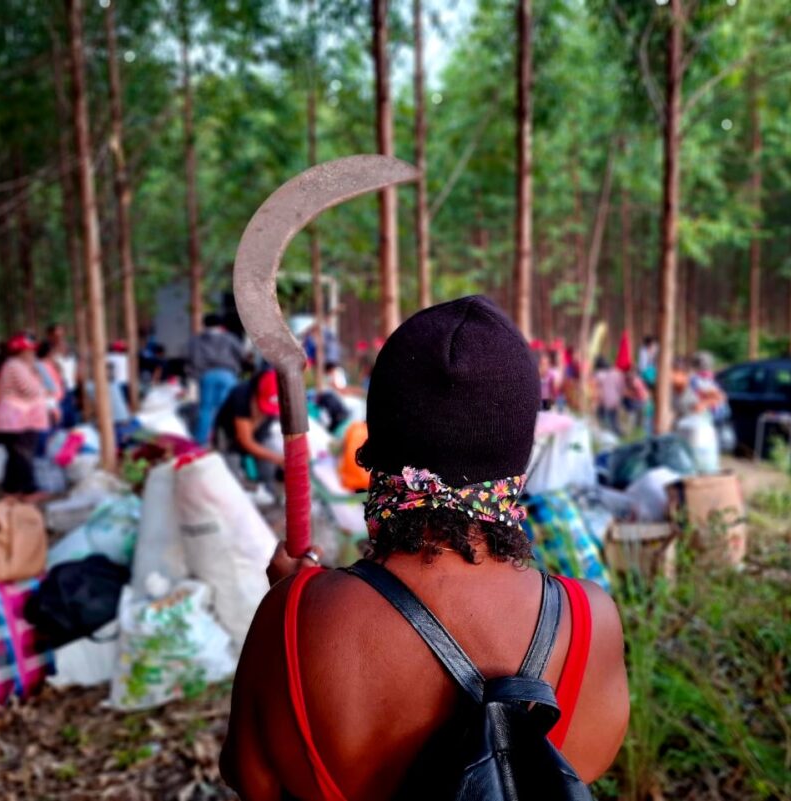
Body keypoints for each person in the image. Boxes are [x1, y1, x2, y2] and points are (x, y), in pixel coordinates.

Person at [221, 296, 629, 800]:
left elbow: (250, 780)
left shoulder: (295, 614)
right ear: (521, 454)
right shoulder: (593, 618)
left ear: (376, 443)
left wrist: (290, 605)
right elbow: (581, 764)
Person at [0, 333, 51, 498]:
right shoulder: (16, 366)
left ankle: (12, 490)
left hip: (17, 419)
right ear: (21, 352)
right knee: (23, 456)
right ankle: (27, 490)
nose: (32, 355)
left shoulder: (16, 366)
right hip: (17, 420)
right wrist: (43, 389)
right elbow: (30, 390)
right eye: (29, 351)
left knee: (16, 457)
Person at [217, 369, 284, 503]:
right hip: (229, 432)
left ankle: (269, 494)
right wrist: (278, 458)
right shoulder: (241, 395)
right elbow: (245, 441)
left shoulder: (281, 395)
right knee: (230, 469)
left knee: (267, 459)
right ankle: (231, 501)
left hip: (258, 431)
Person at [188, 312, 244, 445]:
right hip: (228, 375)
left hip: (206, 375)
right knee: (226, 409)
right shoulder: (229, 338)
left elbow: (191, 358)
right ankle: (225, 439)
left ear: (204, 324)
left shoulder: (197, 340)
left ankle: (201, 442)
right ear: (221, 324)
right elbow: (241, 353)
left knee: (206, 409)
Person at [46, 323, 79, 428]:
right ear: (49, 336)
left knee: (72, 421)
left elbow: (75, 369)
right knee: (59, 422)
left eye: (61, 335)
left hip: (71, 390)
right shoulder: (47, 353)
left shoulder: (71, 349)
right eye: (56, 335)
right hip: (56, 392)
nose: (59, 338)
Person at [593, 356, 625, 434]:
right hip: (615, 399)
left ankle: (604, 429)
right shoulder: (616, 373)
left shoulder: (598, 375)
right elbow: (621, 387)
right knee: (614, 418)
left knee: (601, 415)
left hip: (604, 401)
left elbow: (594, 387)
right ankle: (617, 430)